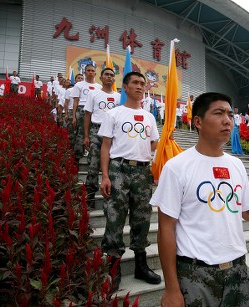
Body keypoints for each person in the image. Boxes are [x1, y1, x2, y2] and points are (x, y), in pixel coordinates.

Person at [151, 92, 249, 307]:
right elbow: (166, 228)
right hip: (196, 276)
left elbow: (248, 211)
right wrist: (171, 289)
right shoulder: (177, 168)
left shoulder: (236, 165)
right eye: (218, 113)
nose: (227, 120)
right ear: (198, 122)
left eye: (230, 115)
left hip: (237, 272)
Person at [98, 71, 161, 291]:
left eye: (142, 83)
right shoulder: (114, 114)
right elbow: (105, 147)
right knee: (115, 217)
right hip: (118, 169)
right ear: (124, 87)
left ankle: (141, 266)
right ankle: (113, 268)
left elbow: (153, 144)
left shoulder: (149, 117)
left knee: (142, 218)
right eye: (135, 82)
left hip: (142, 172)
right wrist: (105, 175)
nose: (139, 86)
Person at [83, 68, 120, 208]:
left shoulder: (118, 97)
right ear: (101, 77)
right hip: (96, 131)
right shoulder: (93, 93)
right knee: (93, 165)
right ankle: (89, 198)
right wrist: (86, 136)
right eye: (107, 75)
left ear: (114, 79)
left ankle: (109, 198)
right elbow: (87, 115)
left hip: (112, 134)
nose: (109, 77)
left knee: (112, 167)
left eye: (112, 75)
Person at [71, 64, 101, 166]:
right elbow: (75, 101)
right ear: (84, 72)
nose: (90, 72)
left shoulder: (99, 87)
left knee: (93, 135)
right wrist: (74, 116)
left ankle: (91, 160)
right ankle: (76, 159)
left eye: (92, 71)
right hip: (82, 110)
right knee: (81, 134)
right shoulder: (79, 85)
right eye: (88, 70)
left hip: (95, 112)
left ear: (95, 73)